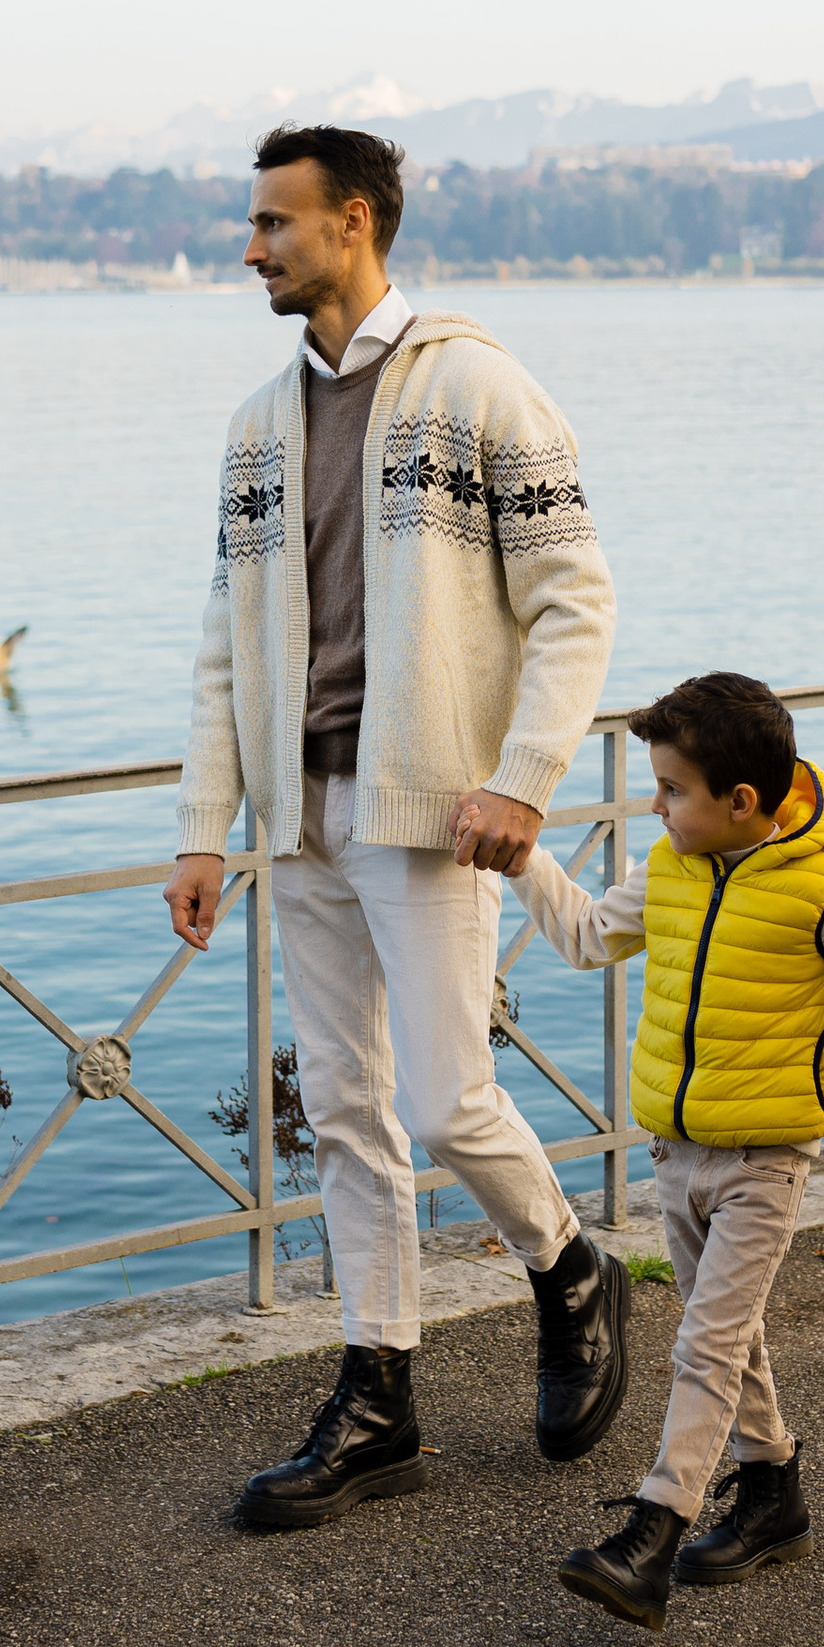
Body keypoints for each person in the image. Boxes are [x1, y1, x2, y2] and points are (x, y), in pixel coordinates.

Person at [166, 124, 631, 1530]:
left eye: (274, 223)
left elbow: (576, 600)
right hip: (298, 814)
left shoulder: (481, 389)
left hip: (429, 812)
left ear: (353, 222)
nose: (251, 247)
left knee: (444, 1100)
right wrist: (205, 824)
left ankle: (567, 1267)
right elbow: (219, 637)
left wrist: (526, 777)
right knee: (347, 1112)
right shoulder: (258, 422)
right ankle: (378, 1396)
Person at [513, 672, 824, 1630]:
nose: (657, 807)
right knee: (729, 1334)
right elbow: (585, 937)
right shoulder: (670, 869)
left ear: (740, 802)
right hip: (677, 1153)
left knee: (704, 1341)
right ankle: (772, 1492)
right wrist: (521, 861)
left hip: (765, 1162)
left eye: (671, 790)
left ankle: (654, 1534)